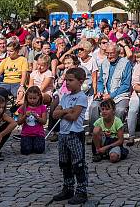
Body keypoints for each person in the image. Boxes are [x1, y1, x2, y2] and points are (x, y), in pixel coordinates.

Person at [51, 67, 89, 205]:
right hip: (63, 134)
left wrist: (63, 112)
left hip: (75, 134)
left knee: (78, 163)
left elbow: (74, 116)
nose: (67, 83)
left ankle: (81, 190)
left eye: (70, 80)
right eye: (66, 80)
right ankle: (68, 187)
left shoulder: (82, 97)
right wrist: (65, 110)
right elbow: (54, 114)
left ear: (80, 81)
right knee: (64, 163)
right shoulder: (65, 97)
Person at [90, 42, 133, 129]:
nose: (109, 56)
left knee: (120, 110)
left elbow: (126, 85)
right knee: (94, 106)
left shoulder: (126, 63)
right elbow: (101, 81)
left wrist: (111, 95)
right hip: (105, 93)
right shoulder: (104, 63)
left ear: (117, 52)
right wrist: (100, 91)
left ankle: (115, 132)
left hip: (120, 95)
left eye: (112, 53)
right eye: (107, 53)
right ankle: (94, 132)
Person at [92, 99, 128, 163]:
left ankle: (108, 153)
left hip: (113, 144)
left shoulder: (117, 121)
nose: (104, 111)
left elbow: (120, 140)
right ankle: (98, 152)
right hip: (102, 143)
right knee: (96, 130)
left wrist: (106, 148)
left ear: (113, 111)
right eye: (102, 109)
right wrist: (103, 133)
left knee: (113, 158)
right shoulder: (99, 121)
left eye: (107, 109)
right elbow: (95, 134)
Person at [18, 86, 48, 155]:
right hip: (26, 134)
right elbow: (19, 122)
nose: (32, 100)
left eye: (34, 98)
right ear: (27, 98)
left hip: (38, 134)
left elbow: (44, 122)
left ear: (39, 97)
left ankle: (35, 144)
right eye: (30, 98)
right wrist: (25, 116)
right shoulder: (23, 107)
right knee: (25, 151)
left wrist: (37, 117)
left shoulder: (42, 107)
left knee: (39, 150)